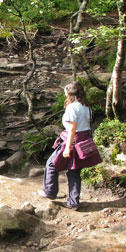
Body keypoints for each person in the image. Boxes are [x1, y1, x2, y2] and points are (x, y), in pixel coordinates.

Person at [38, 81, 94, 210]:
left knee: (52, 164)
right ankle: (73, 202)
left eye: (65, 93)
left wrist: (67, 148)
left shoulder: (72, 107)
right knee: (74, 170)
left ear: (69, 93)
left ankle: (50, 193)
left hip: (73, 140)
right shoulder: (87, 106)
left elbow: (72, 128)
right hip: (83, 140)